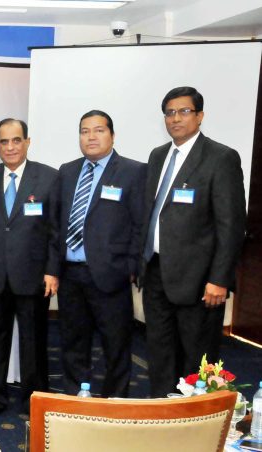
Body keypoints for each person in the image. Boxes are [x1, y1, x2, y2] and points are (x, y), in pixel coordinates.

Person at [141, 86, 246, 397]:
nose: (176, 118)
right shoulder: (158, 155)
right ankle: (161, 411)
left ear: (200, 116)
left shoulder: (220, 158)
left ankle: (192, 421)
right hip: (157, 271)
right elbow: (153, 211)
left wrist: (219, 279)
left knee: (196, 357)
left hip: (200, 281)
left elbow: (231, 225)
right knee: (159, 352)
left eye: (184, 111)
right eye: (170, 112)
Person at [0, 118, 59, 417]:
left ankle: (35, 398)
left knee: (33, 341)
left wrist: (52, 270)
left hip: (33, 276)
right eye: (4, 141)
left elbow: (54, 231)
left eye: (16, 140)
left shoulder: (48, 177)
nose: (10, 147)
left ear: (27, 142)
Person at [56, 110, 145, 398]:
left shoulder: (133, 171)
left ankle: (114, 402)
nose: (91, 137)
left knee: (115, 345)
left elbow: (139, 224)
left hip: (111, 274)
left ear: (112, 135)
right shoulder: (67, 171)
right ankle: (75, 399)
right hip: (70, 273)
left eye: (98, 130)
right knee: (72, 343)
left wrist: (131, 266)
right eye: (84, 131)